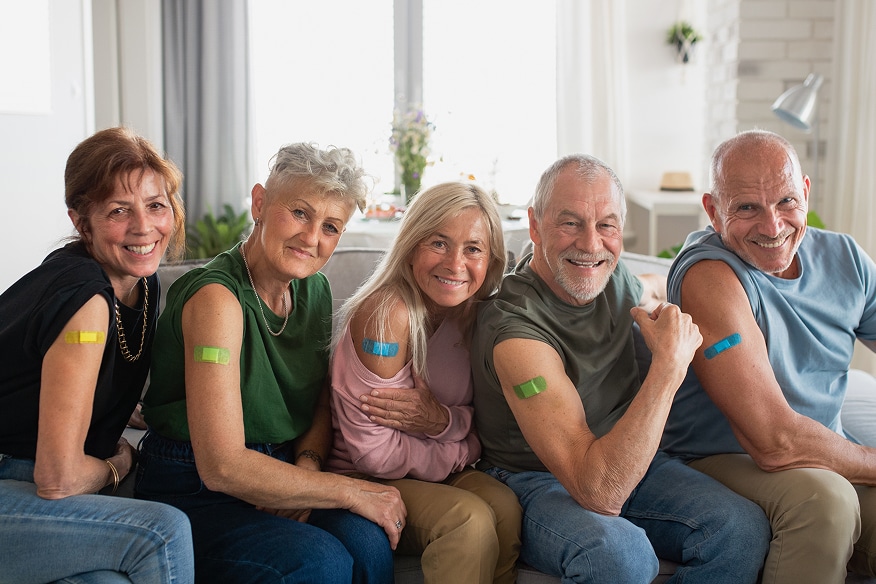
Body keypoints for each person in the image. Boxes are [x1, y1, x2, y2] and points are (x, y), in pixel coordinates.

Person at [470, 153, 772, 583]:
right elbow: (599, 491)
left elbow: (647, 286)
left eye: (606, 225)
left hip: (634, 457)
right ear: (535, 225)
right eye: (570, 223)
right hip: (541, 478)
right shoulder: (516, 333)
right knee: (618, 555)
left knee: (740, 530)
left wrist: (676, 299)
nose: (591, 244)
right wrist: (668, 368)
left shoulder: (611, 277)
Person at [136, 142, 406, 584]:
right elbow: (222, 466)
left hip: (283, 470)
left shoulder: (314, 291)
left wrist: (306, 469)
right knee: (318, 561)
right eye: (300, 213)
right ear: (260, 202)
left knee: (367, 540)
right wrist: (346, 489)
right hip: (196, 488)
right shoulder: (217, 300)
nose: (311, 237)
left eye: (331, 226)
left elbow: (320, 400)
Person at [660, 129, 876, 584]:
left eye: (786, 202)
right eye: (746, 208)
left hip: (824, 451)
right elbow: (774, 443)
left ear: (806, 193)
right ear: (713, 211)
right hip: (722, 457)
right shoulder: (710, 275)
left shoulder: (846, 258)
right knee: (827, 502)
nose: (772, 226)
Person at [0, 126, 194, 583]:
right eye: (118, 211)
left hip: (30, 487)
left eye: (156, 205)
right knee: (163, 532)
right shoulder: (85, 300)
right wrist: (117, 465)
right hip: (19, 482)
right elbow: (59, 478)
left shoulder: (142, 284)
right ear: (80, 220)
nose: (144, 228)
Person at [326, 182, 522, 584]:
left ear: (490, 259)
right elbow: (374, 456)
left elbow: (482, 419)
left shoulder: (474, 312)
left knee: (504, 506)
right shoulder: (387, 313)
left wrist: (443, 423)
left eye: (473, 249)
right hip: (363, 479)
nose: (455, 264)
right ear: (412, 244)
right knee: (469, 521)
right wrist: (460, 444)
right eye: (438, 242)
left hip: (429, 465)